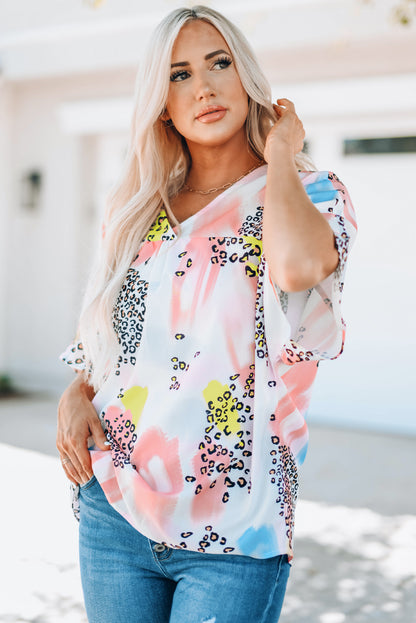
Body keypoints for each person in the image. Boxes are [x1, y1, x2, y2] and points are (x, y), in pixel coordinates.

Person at [57, 5, 357, 623]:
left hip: (237, 523)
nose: (204, 87)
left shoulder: (313, 192)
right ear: (162, 104)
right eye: (179, 74)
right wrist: (76, 391)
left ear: (245, 76)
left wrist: (281, 156)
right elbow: (106, 334)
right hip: (115, 507)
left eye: (219, 63)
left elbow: (297, 269)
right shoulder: (138, 209)